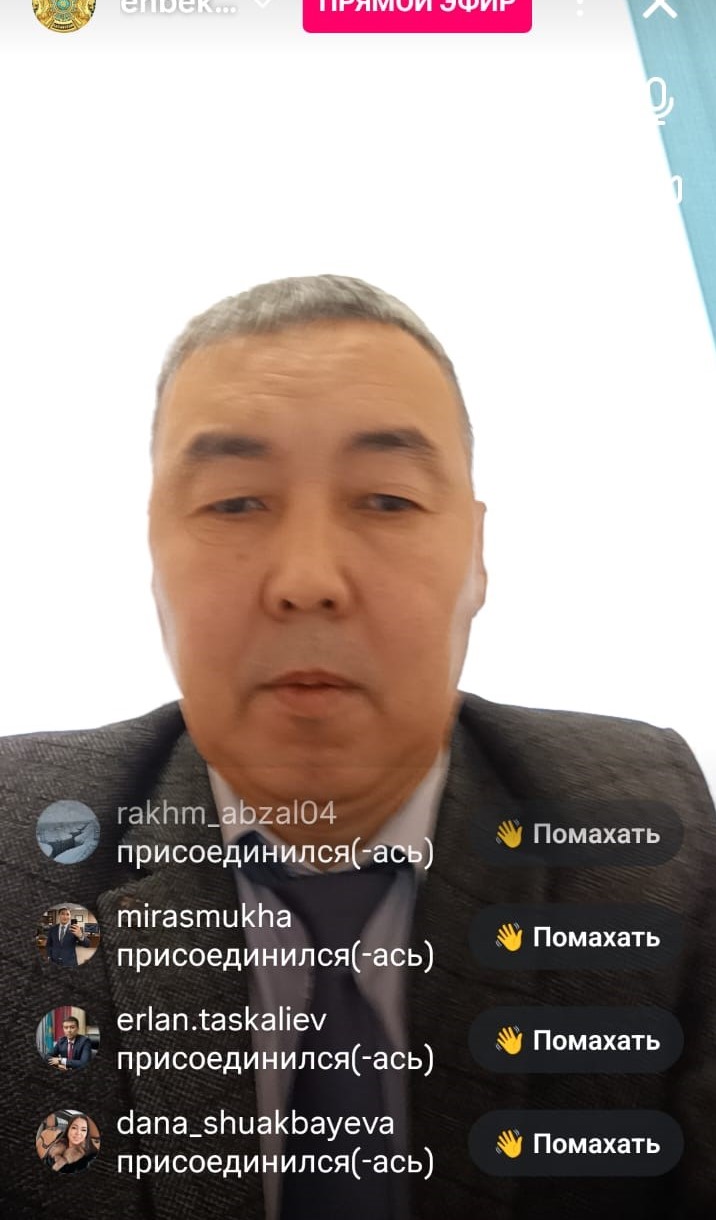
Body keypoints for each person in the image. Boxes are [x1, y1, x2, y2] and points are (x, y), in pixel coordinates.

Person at [1, 275, 715, 1220]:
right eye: (234, 503)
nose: (307, 580)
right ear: (152, 554)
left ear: (478, 557)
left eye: (385, 500)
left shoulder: (643, 837)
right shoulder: (21, 848)